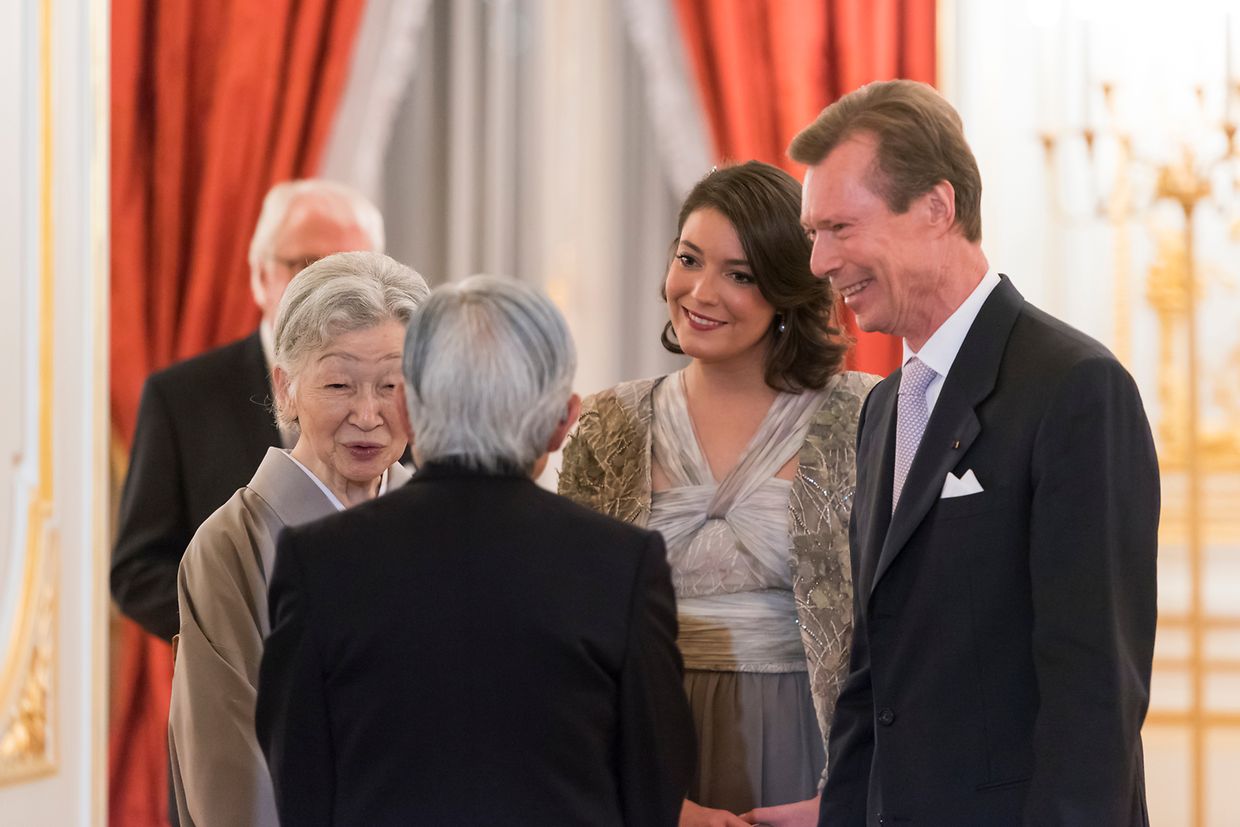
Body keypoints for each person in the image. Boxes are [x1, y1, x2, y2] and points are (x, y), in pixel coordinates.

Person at [791, 79, 1159, 826]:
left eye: (840, 227)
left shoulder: (1076, 387)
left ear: (937, 207)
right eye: (813, 234)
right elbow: (872, 681)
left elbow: (1094, 697)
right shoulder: (883, 409)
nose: (820, 261)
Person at [255, 275, 697, 826]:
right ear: (563, 422)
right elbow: (654, 790)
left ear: (407, 410)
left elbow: (300, 786)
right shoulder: (622, 565)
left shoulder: (317, 561)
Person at [559, 161, 876, 827]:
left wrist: (852, 794)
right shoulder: (611, 422)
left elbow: (908, 624)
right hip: (646, 749)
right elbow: (571, 628)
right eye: (689, 259)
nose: (700, 292)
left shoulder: (866, 416)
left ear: (788, 288)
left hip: (814, 756)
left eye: (740, 274)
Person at [168, 252, 428, 827]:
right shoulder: (231, 548)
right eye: (339, 384)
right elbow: (232, 782)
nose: (368, 414)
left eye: (392, 385)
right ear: (285, 388)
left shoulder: (443, 528)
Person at [111, 179, 384, 643]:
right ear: (260, 276)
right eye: (307, 266)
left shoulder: (403, 397)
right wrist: (243, 632)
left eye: (350, 271)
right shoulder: (181, 397)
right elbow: (137, 571)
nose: (329, 293)